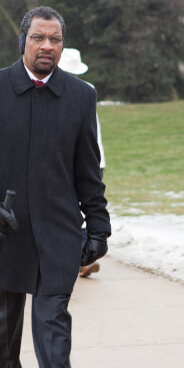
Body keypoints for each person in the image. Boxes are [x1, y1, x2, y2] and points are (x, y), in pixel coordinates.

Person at [0, 6, 109, 368]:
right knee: (5, 333)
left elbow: (89, 174)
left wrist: (99, 229)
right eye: (39, 37)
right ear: (22, 40)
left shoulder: (80, 96)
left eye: (55, 39)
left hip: (58, 237)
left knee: (54, 337)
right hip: (4, 236)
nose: (47, 46)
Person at [56, 47, 107, 278]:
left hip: (89, 159)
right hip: (73, 160)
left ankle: (80, 257)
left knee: (80, 209)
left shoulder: (85, 92)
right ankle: (79, 256)